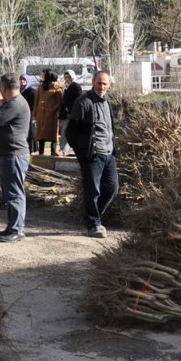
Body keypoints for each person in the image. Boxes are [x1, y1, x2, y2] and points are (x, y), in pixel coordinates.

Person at [67, 71, 119, 239]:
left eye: (105, 84)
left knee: (112, 187)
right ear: (93, 82)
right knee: (92, 191)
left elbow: (110, 128)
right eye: (99, 83)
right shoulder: (84, 102)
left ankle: (95, 218)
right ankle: (93, 224)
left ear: (109, 85)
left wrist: (114, 148)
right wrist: (83, 154)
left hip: (108, 153)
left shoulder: (106, 101)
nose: (102, 86)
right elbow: (71, 133)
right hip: (92, 155)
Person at [0, 73, 31, 242]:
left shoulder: (15, 104)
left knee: (15, 193)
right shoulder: (13, 102)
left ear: (5, 88)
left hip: (15, 155)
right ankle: (11, 226)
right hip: (9, 154)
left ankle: (17, 229)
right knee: (11, 192)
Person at [33, 69, 64, 156]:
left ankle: (53, 151)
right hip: (41, 114)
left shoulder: (56, 87)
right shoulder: (40, 87)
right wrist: (35, 112)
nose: (42, 76)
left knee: (52, 133)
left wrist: (52, 110)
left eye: (43, 75)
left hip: (51, 115)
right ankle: (41, 151)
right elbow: (37, 100)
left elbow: (59, 102)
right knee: (40, 132)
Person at [58, 70, 82, 156]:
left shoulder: (75, 86)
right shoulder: (67, 87)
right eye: (65, 77)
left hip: (72, 114)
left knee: (71, 132)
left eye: (68, 77)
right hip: (66, 114)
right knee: (64, 132)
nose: (67, 79)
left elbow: (78, 100)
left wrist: (70, 108)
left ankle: (70, 150)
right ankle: (63, 149)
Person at [19, 73, 38, 152]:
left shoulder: (32, 91)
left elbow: (34, 104)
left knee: (31, 132)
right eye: (21, 79)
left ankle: (32, 149)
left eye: (24, 79)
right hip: (21, 114)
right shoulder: (19, 91)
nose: (22, 81)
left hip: (30, 113)